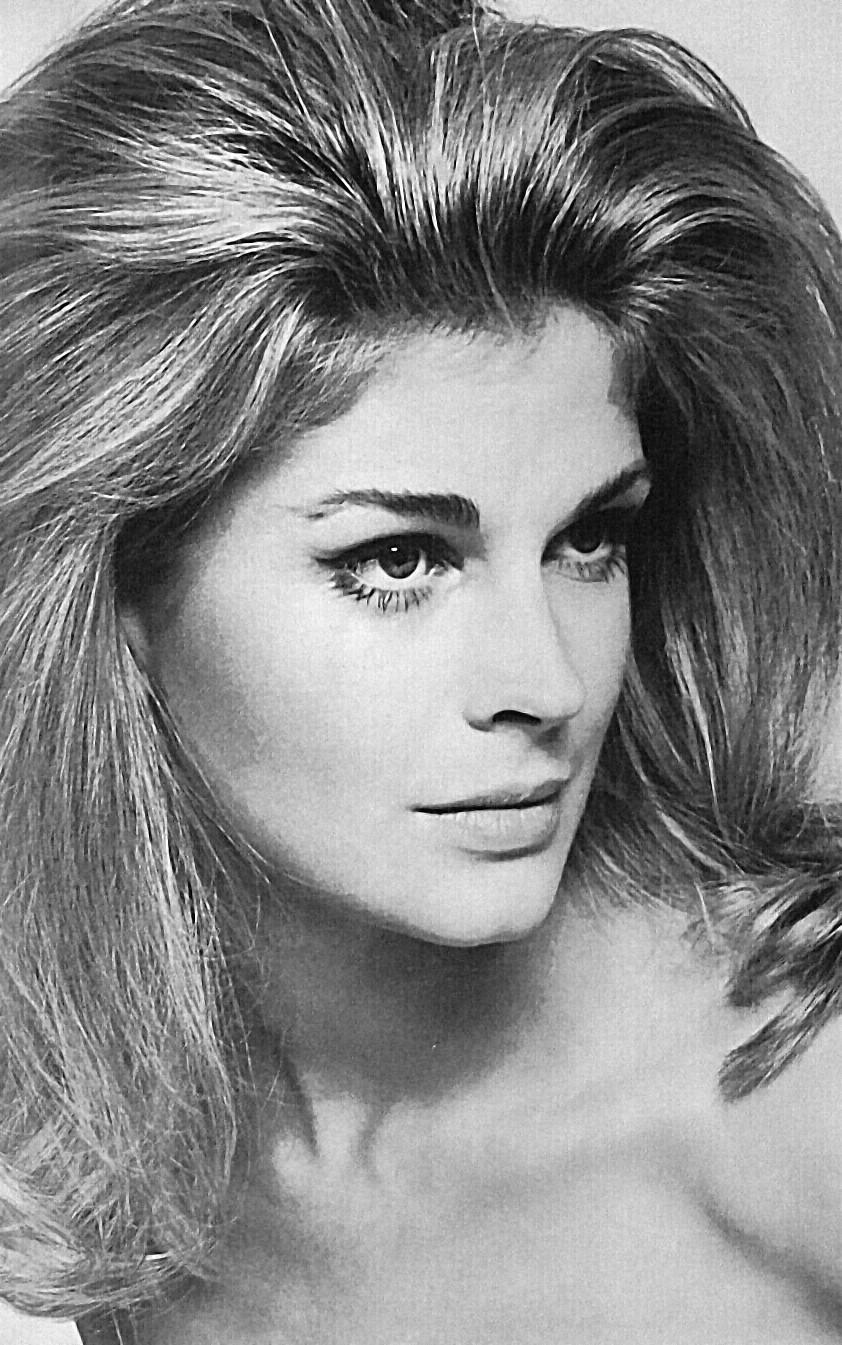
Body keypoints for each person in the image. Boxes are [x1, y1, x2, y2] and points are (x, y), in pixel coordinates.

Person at [2, 1, 842, 1341]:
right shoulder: (119, 1147)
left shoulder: (794, 1104)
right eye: (397, 560)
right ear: (112, 591)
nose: (547, 683)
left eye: (589, 539)